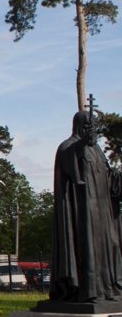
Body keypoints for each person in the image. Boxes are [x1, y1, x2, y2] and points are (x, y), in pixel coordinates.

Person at [48, 110, 122, 305]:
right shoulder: (69, 146)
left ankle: (108, 289)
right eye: (89, 126)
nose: (93, 130)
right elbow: (70, 162)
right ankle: (88, 291)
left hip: (104, 213)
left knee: (112, 246)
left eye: (95, 126)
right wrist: (82, 143)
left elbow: (110, 178)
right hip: (83, 214)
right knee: (88, 250)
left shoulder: (97, 151)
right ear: (81, 126)